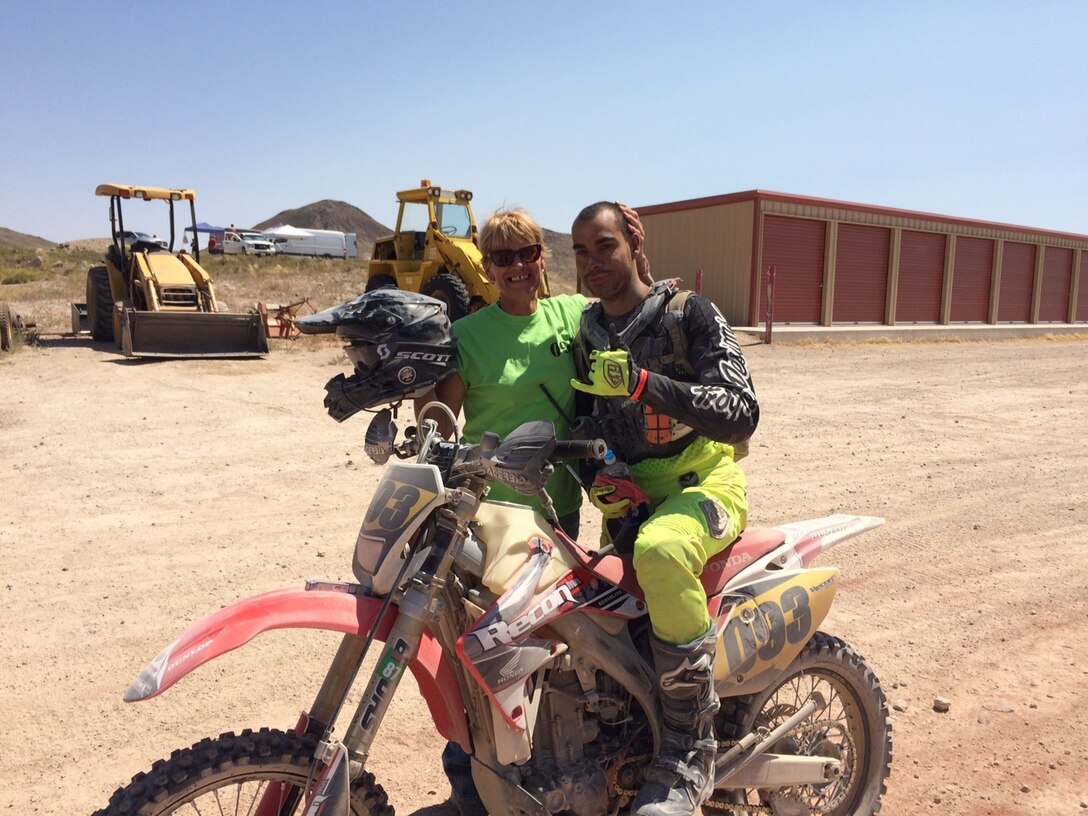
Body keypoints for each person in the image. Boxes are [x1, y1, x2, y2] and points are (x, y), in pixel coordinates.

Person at [416, 204, 650, 816]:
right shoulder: (469, 336)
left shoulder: (570, 315)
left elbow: (631, 315)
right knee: (476, 659)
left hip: (559, 512)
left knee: (555, 659)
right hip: (489, 523)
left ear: (541, 259)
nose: (517, 266)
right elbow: (438, 415)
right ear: (487, 268)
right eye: (502, 258)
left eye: (526, 254)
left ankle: (553, 782)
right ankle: (471, 794)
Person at [568, 202, 759, 816]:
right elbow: (587, 423)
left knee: (661, 550)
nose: (593, 262)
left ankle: (689, 747)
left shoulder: (690, 312)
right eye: (580, 251)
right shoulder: (588, 332)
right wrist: (599, 475)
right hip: (631, 501)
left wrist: (646, 383)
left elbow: (741, 410)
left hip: (703, 485)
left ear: (633, 241)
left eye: (603, 246)